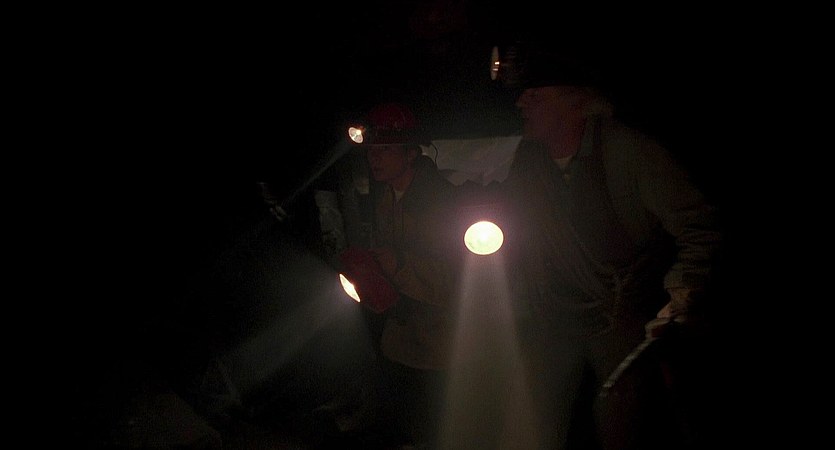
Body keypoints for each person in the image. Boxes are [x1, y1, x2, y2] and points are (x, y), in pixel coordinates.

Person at [491, 39, 724, 450]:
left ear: (575, 102)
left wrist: (682, 290)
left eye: (535, 94)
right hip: (552, 314)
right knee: (533, 422)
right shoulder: (528, 158)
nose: (521, 103)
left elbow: (699, 226)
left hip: (619, 315)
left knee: (619, 420)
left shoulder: (628, 152)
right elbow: (515, 226)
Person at [338, 101, 464, 449]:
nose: (374, 158)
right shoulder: (387, 197)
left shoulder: (440, 202)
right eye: (372, 150)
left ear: (411, 153)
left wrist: (398, 265)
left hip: (439, 344)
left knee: (435, 428)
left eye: (386, 149)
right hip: (402, 337)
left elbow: (456, 280)